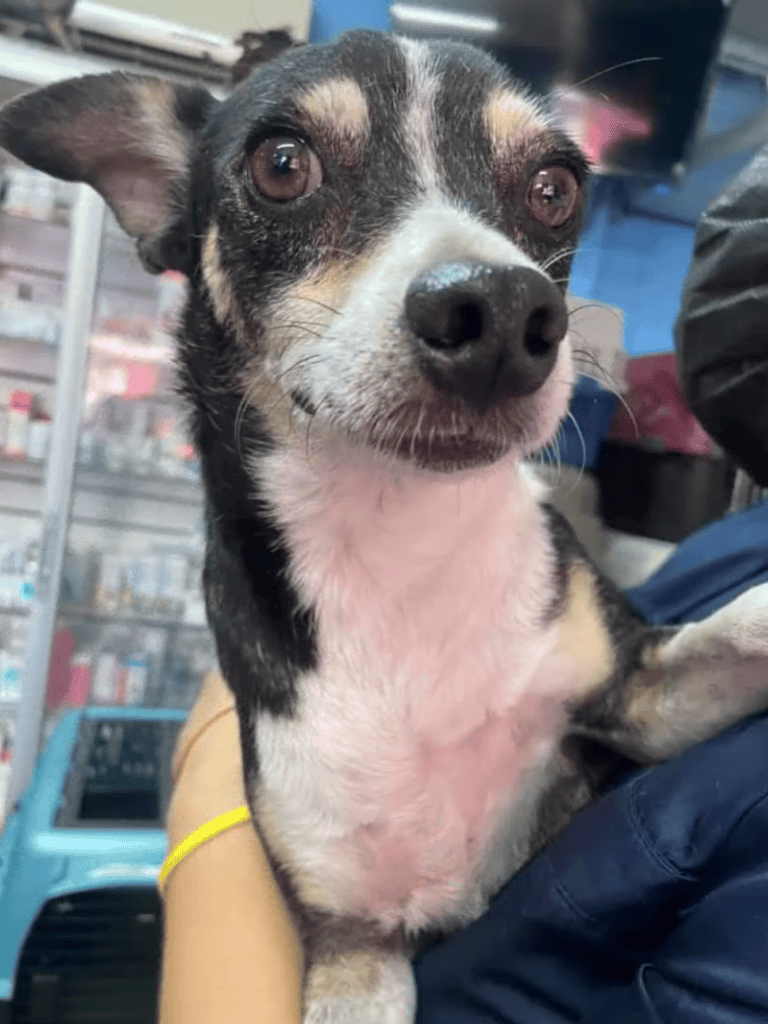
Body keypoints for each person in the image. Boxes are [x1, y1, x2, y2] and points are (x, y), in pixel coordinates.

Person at [159, 147, 768, 1023]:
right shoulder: (735, 548)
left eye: (546, 195)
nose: (498, 292)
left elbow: (638, 693)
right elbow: (639, 693)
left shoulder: (671, 553)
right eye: (288, 174)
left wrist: (212, 777)